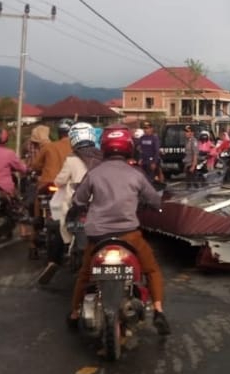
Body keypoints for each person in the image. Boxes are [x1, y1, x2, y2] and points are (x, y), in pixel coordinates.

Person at [68, 127, 170, 336]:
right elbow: (154, 199)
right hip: (128, 235)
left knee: (85, 274)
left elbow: (78, 200)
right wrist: (158, 207)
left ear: (104, 147)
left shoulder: (94, 173)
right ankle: (158, 311)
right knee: (151, 270)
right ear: (129, 148)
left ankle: (75, 314)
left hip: (98, 237)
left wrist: (80, 207)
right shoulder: (136, 174)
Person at [38, 122, 103, 285]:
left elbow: (59, 181)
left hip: (75, 205)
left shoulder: (72, 159)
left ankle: (54, 260)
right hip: (98, 204)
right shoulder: (102, 157)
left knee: (61, 226)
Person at [29, 119, 74, 258]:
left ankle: (33, 244)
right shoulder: (76, 148)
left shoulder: (49, 147)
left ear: (58, 133)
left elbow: (35, 165)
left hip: (47, 184)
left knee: (37, 206)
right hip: (67, 185)